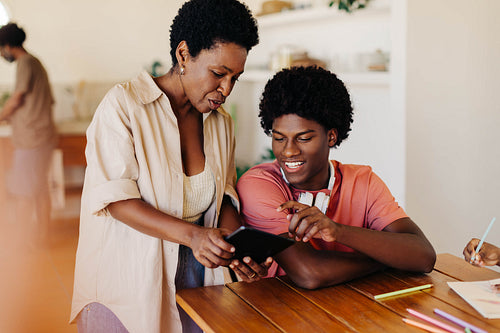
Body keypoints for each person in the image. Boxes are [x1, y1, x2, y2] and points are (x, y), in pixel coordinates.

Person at [70, 1, 270, 332]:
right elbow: (117, 200)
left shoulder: (220, 124)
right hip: (127, 281)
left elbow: (222, 197)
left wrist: (235, 248)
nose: (227, 90)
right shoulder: (124, 106)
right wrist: (194, 236)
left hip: (197, 279)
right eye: (219, 74)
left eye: (236, 77)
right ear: (183, 54)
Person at [236, 66, 436, 290]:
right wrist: (387, 258)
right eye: (280, 138)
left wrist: (339, 231)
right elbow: (310, 273)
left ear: (331, 136)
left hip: (353, 309)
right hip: (274, 314)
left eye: (303, 138)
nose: (288, 151)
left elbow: (423, 256)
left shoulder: (363, 182)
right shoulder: (259, 184)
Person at [0, 22, 57, 240]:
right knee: (40, 190)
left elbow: (16, 98)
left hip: (32, 139)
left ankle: (22, 242)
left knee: (24, 193)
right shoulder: (36, 62)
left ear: (7, 46)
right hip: (42, 136)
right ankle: (41, 237)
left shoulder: (24, 63)